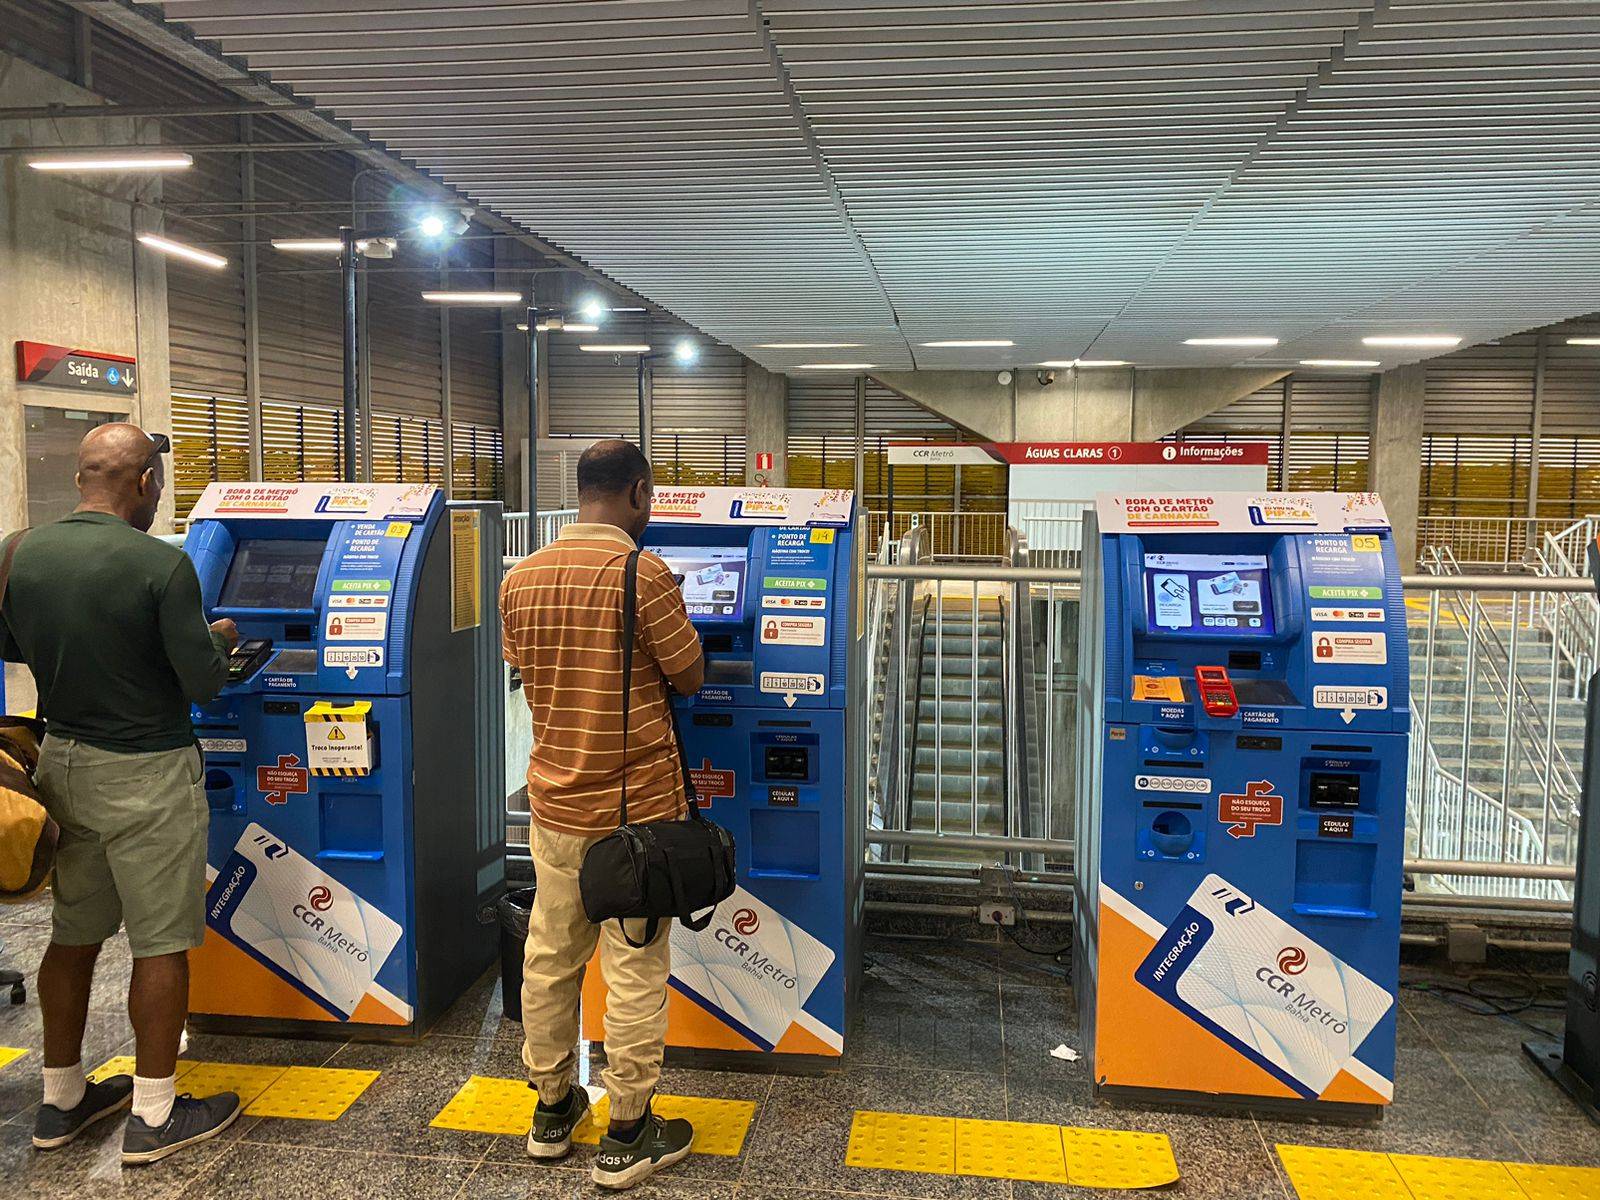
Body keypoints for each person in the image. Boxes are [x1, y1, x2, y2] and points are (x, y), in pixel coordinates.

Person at [0, 423, 243, 1165]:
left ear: (82, 478)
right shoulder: (158, 567)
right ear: (143, 483)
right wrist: (221, 640)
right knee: (161, 943)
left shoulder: (17, 551)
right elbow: (202, 682)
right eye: (158, 482)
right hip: (148, 772)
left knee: (73, 935)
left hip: (64, 763)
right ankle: (155, 1112)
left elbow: (13, 647)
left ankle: (61, 1100)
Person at [500, 439, 705, 1191]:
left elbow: (525, 668)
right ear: (640, 493)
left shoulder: (520, 576)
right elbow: (689, 673)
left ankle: (552, 1110)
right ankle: (627, 1130)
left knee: (550, 956)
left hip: (554, 806)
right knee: (634, 965)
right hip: (635, 817)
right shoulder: (642, 573)